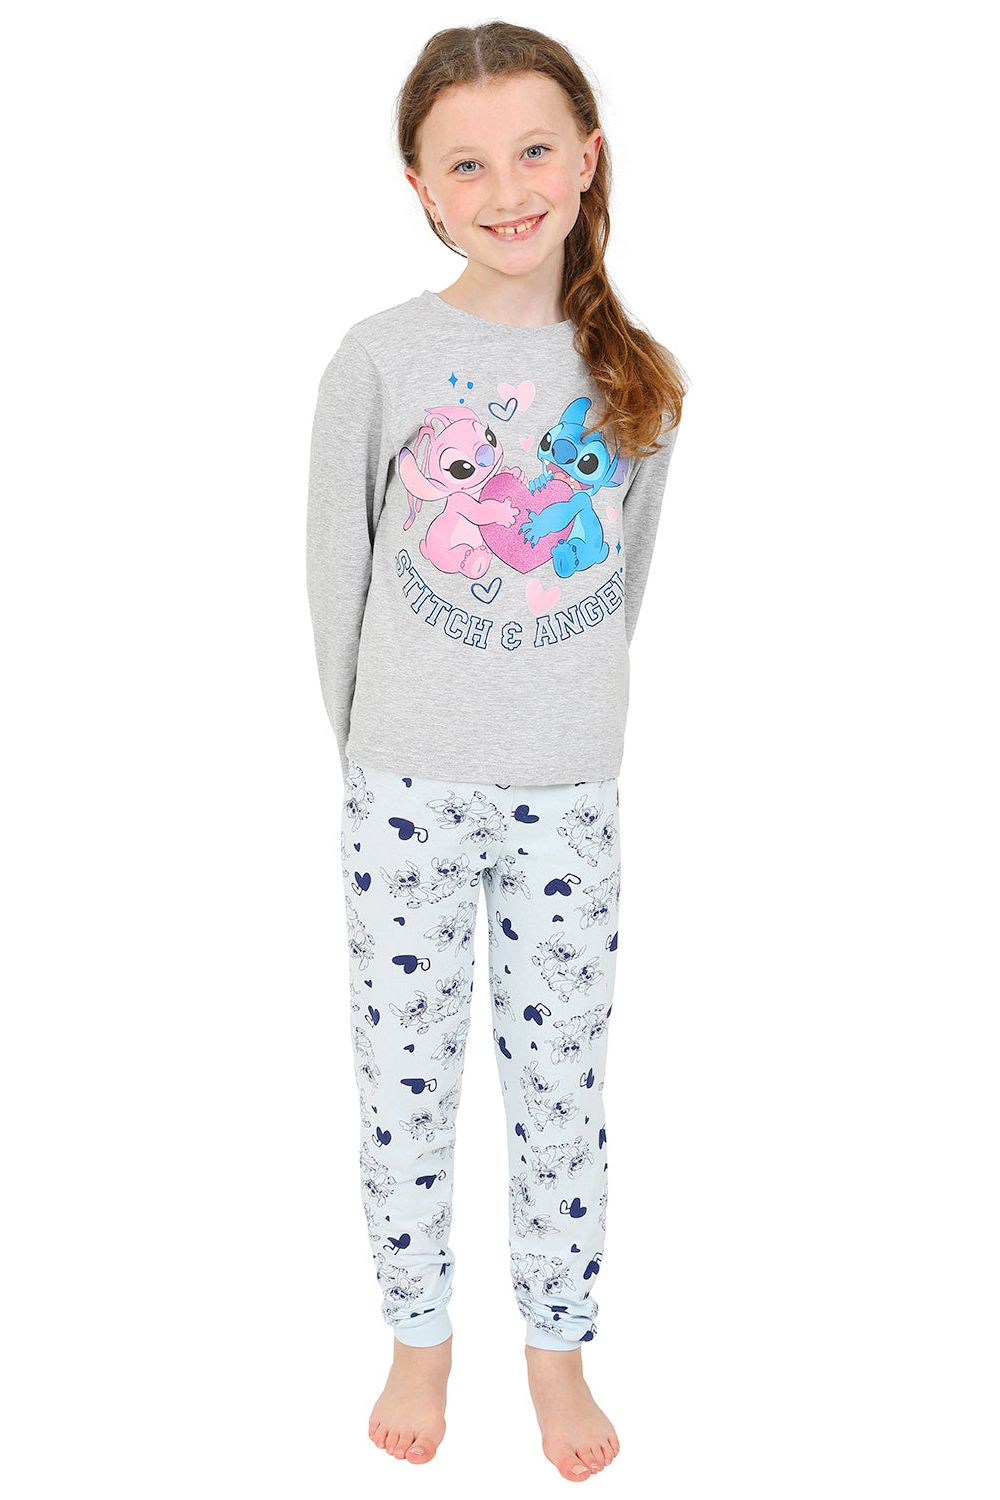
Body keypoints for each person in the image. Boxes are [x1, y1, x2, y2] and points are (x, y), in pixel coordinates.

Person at [306, 21, 688, 1481]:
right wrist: (371, 747)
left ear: (588, 160)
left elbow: (622, 587)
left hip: (568, 791)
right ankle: (419, 1338)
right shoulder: (381, 358)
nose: (507, 189)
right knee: (402, 1078)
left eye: (535, 151)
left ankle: (558, 1351)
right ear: (419, 187)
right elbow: (335, 577)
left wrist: (563, 715)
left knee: (562, 1089)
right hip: (403, 783)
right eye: (466, 164)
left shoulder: (640, 377)